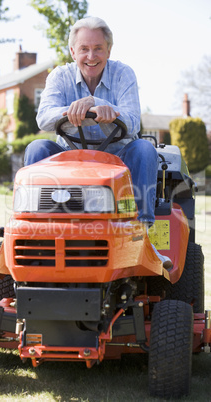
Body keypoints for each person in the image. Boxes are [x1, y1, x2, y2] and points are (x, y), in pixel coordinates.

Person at [24, 16, 172, 269]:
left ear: (108, 50)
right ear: (73, 51)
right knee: (37, 148)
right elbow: (44, 118)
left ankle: (141, 235)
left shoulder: (123, 74)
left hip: (118, 160)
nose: (91, 56)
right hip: (70, 158)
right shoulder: (60, 77)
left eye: (98, 48)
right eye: (84, 49)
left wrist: (104, 107)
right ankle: (36, 233)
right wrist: (71, 111)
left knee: (144, 148)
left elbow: (134, 121)